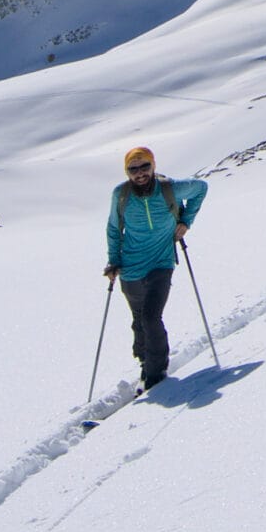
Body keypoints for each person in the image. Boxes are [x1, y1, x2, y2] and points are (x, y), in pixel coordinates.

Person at [104, 145, 209, 389]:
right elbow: (113, 228)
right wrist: (113, 260)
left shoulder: (169, 188)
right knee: (139, 319)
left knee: (151, 317)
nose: (139, 173)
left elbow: (201, 188)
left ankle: (155, 373)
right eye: (133, 169)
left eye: (145, 166)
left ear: (153, 166)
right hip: (130, 266)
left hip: (161, 262)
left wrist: (186, 221)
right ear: (127, 172)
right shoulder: (121, 194)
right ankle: (145, 363)